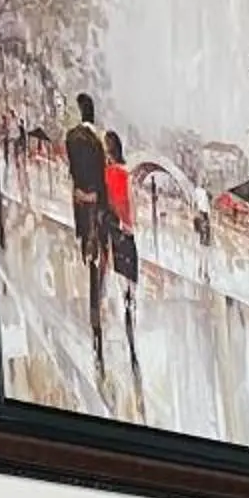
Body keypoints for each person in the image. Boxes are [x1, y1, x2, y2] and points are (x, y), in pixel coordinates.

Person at [62, 91, 110, 371]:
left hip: (80, 205)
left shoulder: (71, 138)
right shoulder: (98, 143)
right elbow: (102, 183)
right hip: (96, 208)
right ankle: (96, 325)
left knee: (88, 257)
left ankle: (94, 324)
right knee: (97, 267)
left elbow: (72, 172)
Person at [103, 131, 141, 386]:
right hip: (129, 236)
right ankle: (132, 326)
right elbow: (133, 208)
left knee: (119, 287)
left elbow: (107, 205)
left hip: (116, 233)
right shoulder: (127, 174)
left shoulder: (106, 175)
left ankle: (126, 334)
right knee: (131, 288)